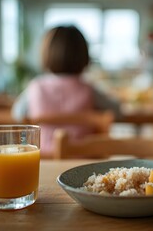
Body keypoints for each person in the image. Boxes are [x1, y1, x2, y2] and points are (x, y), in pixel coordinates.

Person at [11, 25, 121, 156]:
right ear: (84, 55)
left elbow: (18, 114)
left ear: (46, 53)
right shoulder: (88, 89)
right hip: (81, 164)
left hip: (42, 162)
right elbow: (117, 112)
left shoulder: (35, 87)